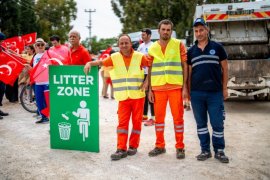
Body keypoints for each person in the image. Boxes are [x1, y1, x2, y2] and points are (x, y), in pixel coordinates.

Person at [84, 34, 149, 161]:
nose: (124, 45)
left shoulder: (140, 56)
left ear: (131, 44)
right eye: (121, 43)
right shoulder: (114, 57)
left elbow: (152, 65)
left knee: (136, 123)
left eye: (126, 43)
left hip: (138, 96)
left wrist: (147, 82)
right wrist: (89, 62)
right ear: (118, 45)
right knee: (122, 124)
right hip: (123, 97)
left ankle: (133, 146)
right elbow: (101, 62)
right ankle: (121, 149)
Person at [187, 18, 229, 163]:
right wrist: (187, 91)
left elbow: (225, 68)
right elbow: (189, 73)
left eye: (201, 30)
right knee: (201, 124)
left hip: (215, 93)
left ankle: (219, 150)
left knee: (217, 123)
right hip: (197, 93)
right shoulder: (191, 51)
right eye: (196, 31)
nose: (199, 33)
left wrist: (224, 88)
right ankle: (205, 150)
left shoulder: (217, 47)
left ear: (207, 30)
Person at [148, 19, 188, 159]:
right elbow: (150, 68)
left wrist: (185, 87)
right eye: (163, 29)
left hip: (175, 87)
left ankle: (180, 147)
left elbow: (185, 66)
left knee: (178, 119)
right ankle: (160, 145)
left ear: (171, 31)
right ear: (158, 30)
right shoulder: (152, 47)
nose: (165, 32)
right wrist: (149, 90)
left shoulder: (178, 45)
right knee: (159, 119)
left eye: (168, 30)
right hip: (158, 88)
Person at [137, 28, 155, 126]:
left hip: (150, 73)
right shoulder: (140, 46)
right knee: (143, 94)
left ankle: (153, 117)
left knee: (150, 95)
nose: (142, 36)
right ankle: (144, 115)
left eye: (144, 35)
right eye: (142, 35)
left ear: (149, 35)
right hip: (141, 73)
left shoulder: (153, 46)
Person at [32, 38, 49, 124]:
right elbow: (35, 69)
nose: (40, 46)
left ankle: (48, 117)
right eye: (38, 45)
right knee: (39, 101)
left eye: (42, 44)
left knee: (47, 101)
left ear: (45, 45)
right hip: (38, 82)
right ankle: (44, 117)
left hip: (47, 82)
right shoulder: (35, 56)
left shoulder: (48, 54)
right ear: (35, 46)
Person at [0, 32, 9, 119]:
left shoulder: (2, 47)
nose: (2, 42)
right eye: (1, 41)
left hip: (1, 72)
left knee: (2, 89)